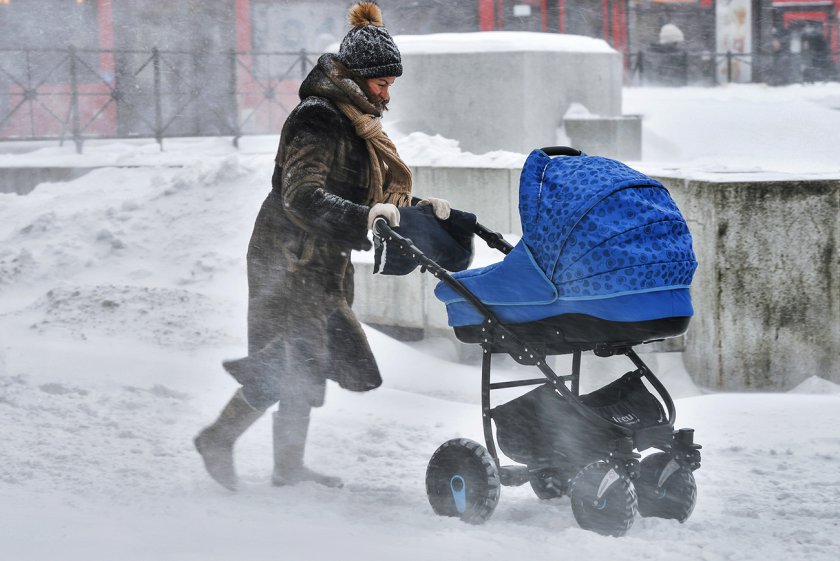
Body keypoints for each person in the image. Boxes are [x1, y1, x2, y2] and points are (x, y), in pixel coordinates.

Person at [194, 1, 449, 491]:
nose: (388, 92)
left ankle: (287, 466)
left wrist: (416, 208)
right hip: (289, 257)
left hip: (320, 259)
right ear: (356, 76)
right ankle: (218, 439)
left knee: (309, 359)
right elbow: (302, 194)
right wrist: (366, 216)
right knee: (288, 358)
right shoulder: (319, 118)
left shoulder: (353, 120)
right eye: (382, 82)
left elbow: (361, 194)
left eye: (391, 83)